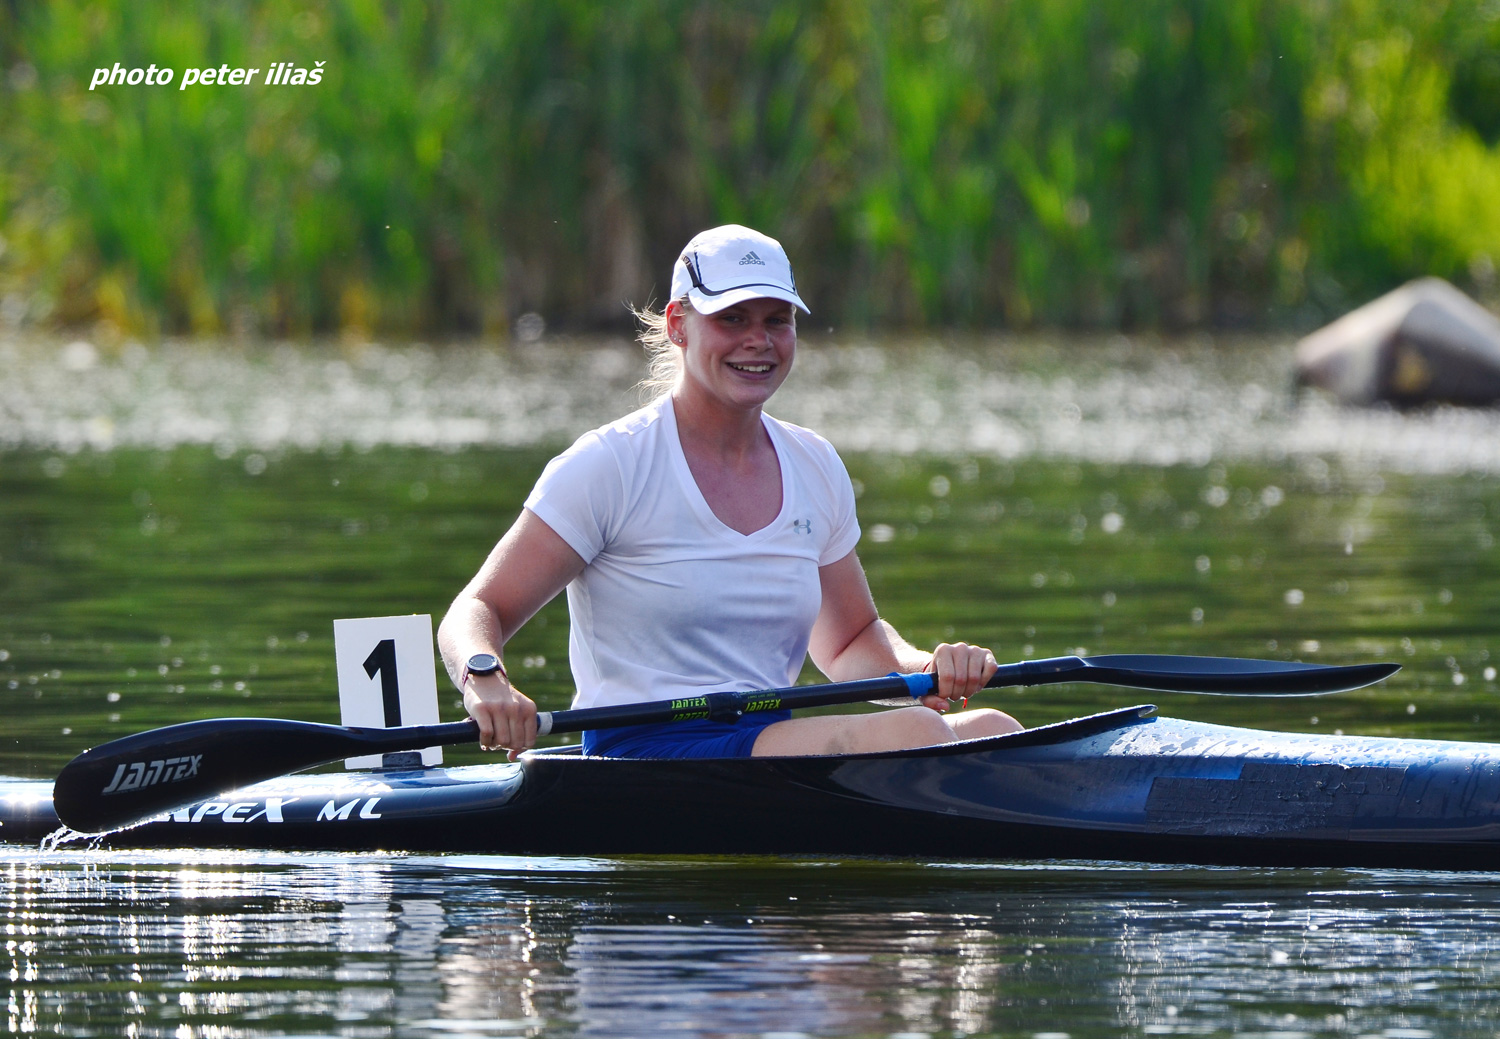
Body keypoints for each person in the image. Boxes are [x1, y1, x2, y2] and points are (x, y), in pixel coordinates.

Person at [438, 224, 1022, 759]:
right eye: (733, 319)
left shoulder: (814, 463)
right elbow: (476, 610)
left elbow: (849, 641)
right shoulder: (609, 465)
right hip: (641, 754)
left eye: (777, 321)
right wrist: (486, 678)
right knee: (916, 734)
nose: (758, 341)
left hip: (764, 742)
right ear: (677, 325)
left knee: (995, 729)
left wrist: (928, 668)